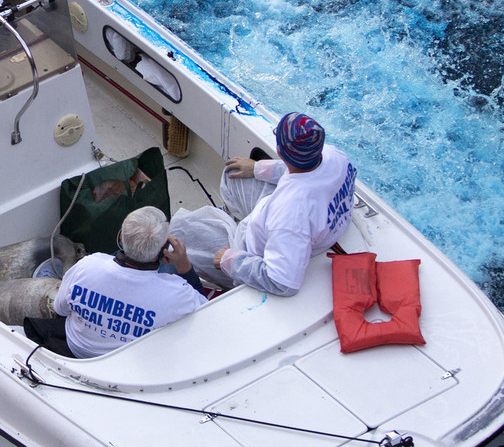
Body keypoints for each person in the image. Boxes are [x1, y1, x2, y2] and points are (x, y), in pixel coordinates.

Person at [169, 113, 356, 297]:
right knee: (232, 174)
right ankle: (231, 225)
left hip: (254, 252)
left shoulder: (291, 214)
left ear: (281, 151)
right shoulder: (335, 156)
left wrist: (231, 261)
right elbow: (303, 168)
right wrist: (258, 168)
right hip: (297, 223)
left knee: (178, 235)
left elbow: (282, 282)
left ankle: (228, 252)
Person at [29, 207, 211, 358]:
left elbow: (61, 310)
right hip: (125, 364)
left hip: (77, 350)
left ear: (122, 237)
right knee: (168, 273)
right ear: (163, 251)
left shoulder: (87, 265)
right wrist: (184, 265)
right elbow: (207, 313)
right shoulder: (177, 293)